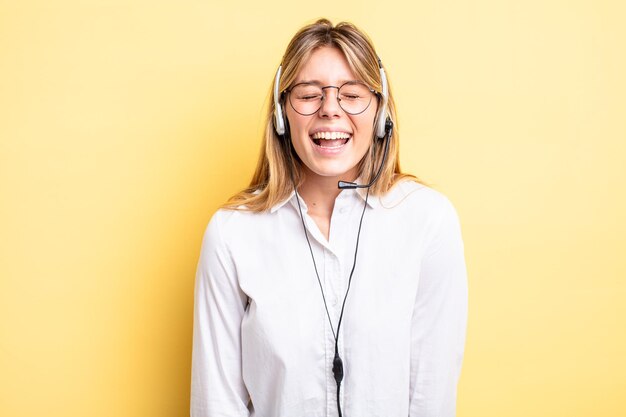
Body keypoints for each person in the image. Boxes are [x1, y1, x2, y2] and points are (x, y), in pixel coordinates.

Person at [191, 18, 468, 417]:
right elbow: (216, 402)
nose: (330, 110)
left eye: (352, 94)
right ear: (283, 114)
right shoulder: (231, 233)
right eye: (308, 94)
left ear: (381, 113)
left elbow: (432, 396)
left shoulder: (428, 221)